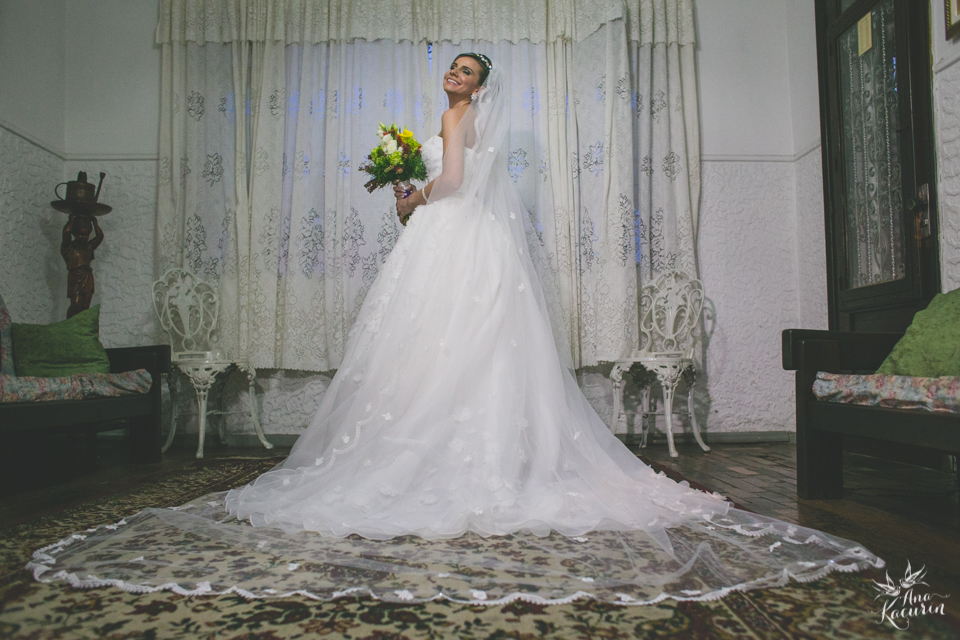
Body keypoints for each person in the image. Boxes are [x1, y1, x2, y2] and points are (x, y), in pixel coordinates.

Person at [30, 54, 883, 605]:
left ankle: (439, 453)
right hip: (461, 241)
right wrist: (412, 193)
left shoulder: (450, 125)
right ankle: (478, 452)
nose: (455, 76)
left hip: (449, 235)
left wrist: (410, 191)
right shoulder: (454, 122)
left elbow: (454, 186)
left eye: (467, 71)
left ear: (477, 88)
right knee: (452, 347)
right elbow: (456, 190)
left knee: (432, 345)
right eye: (452, 66)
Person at [60, 214, 104, 318]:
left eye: (86, 234)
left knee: (85, 305)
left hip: (87, 276)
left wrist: (95, 223)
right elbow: (66, 233)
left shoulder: (89, 246)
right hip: (75, 276)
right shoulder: (69, 248)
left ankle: (81, 324)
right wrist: (71, 221)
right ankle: (68, 323)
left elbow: (100, 237)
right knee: (76, 304)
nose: (83, 237)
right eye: (80, 234)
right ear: (74, 233)